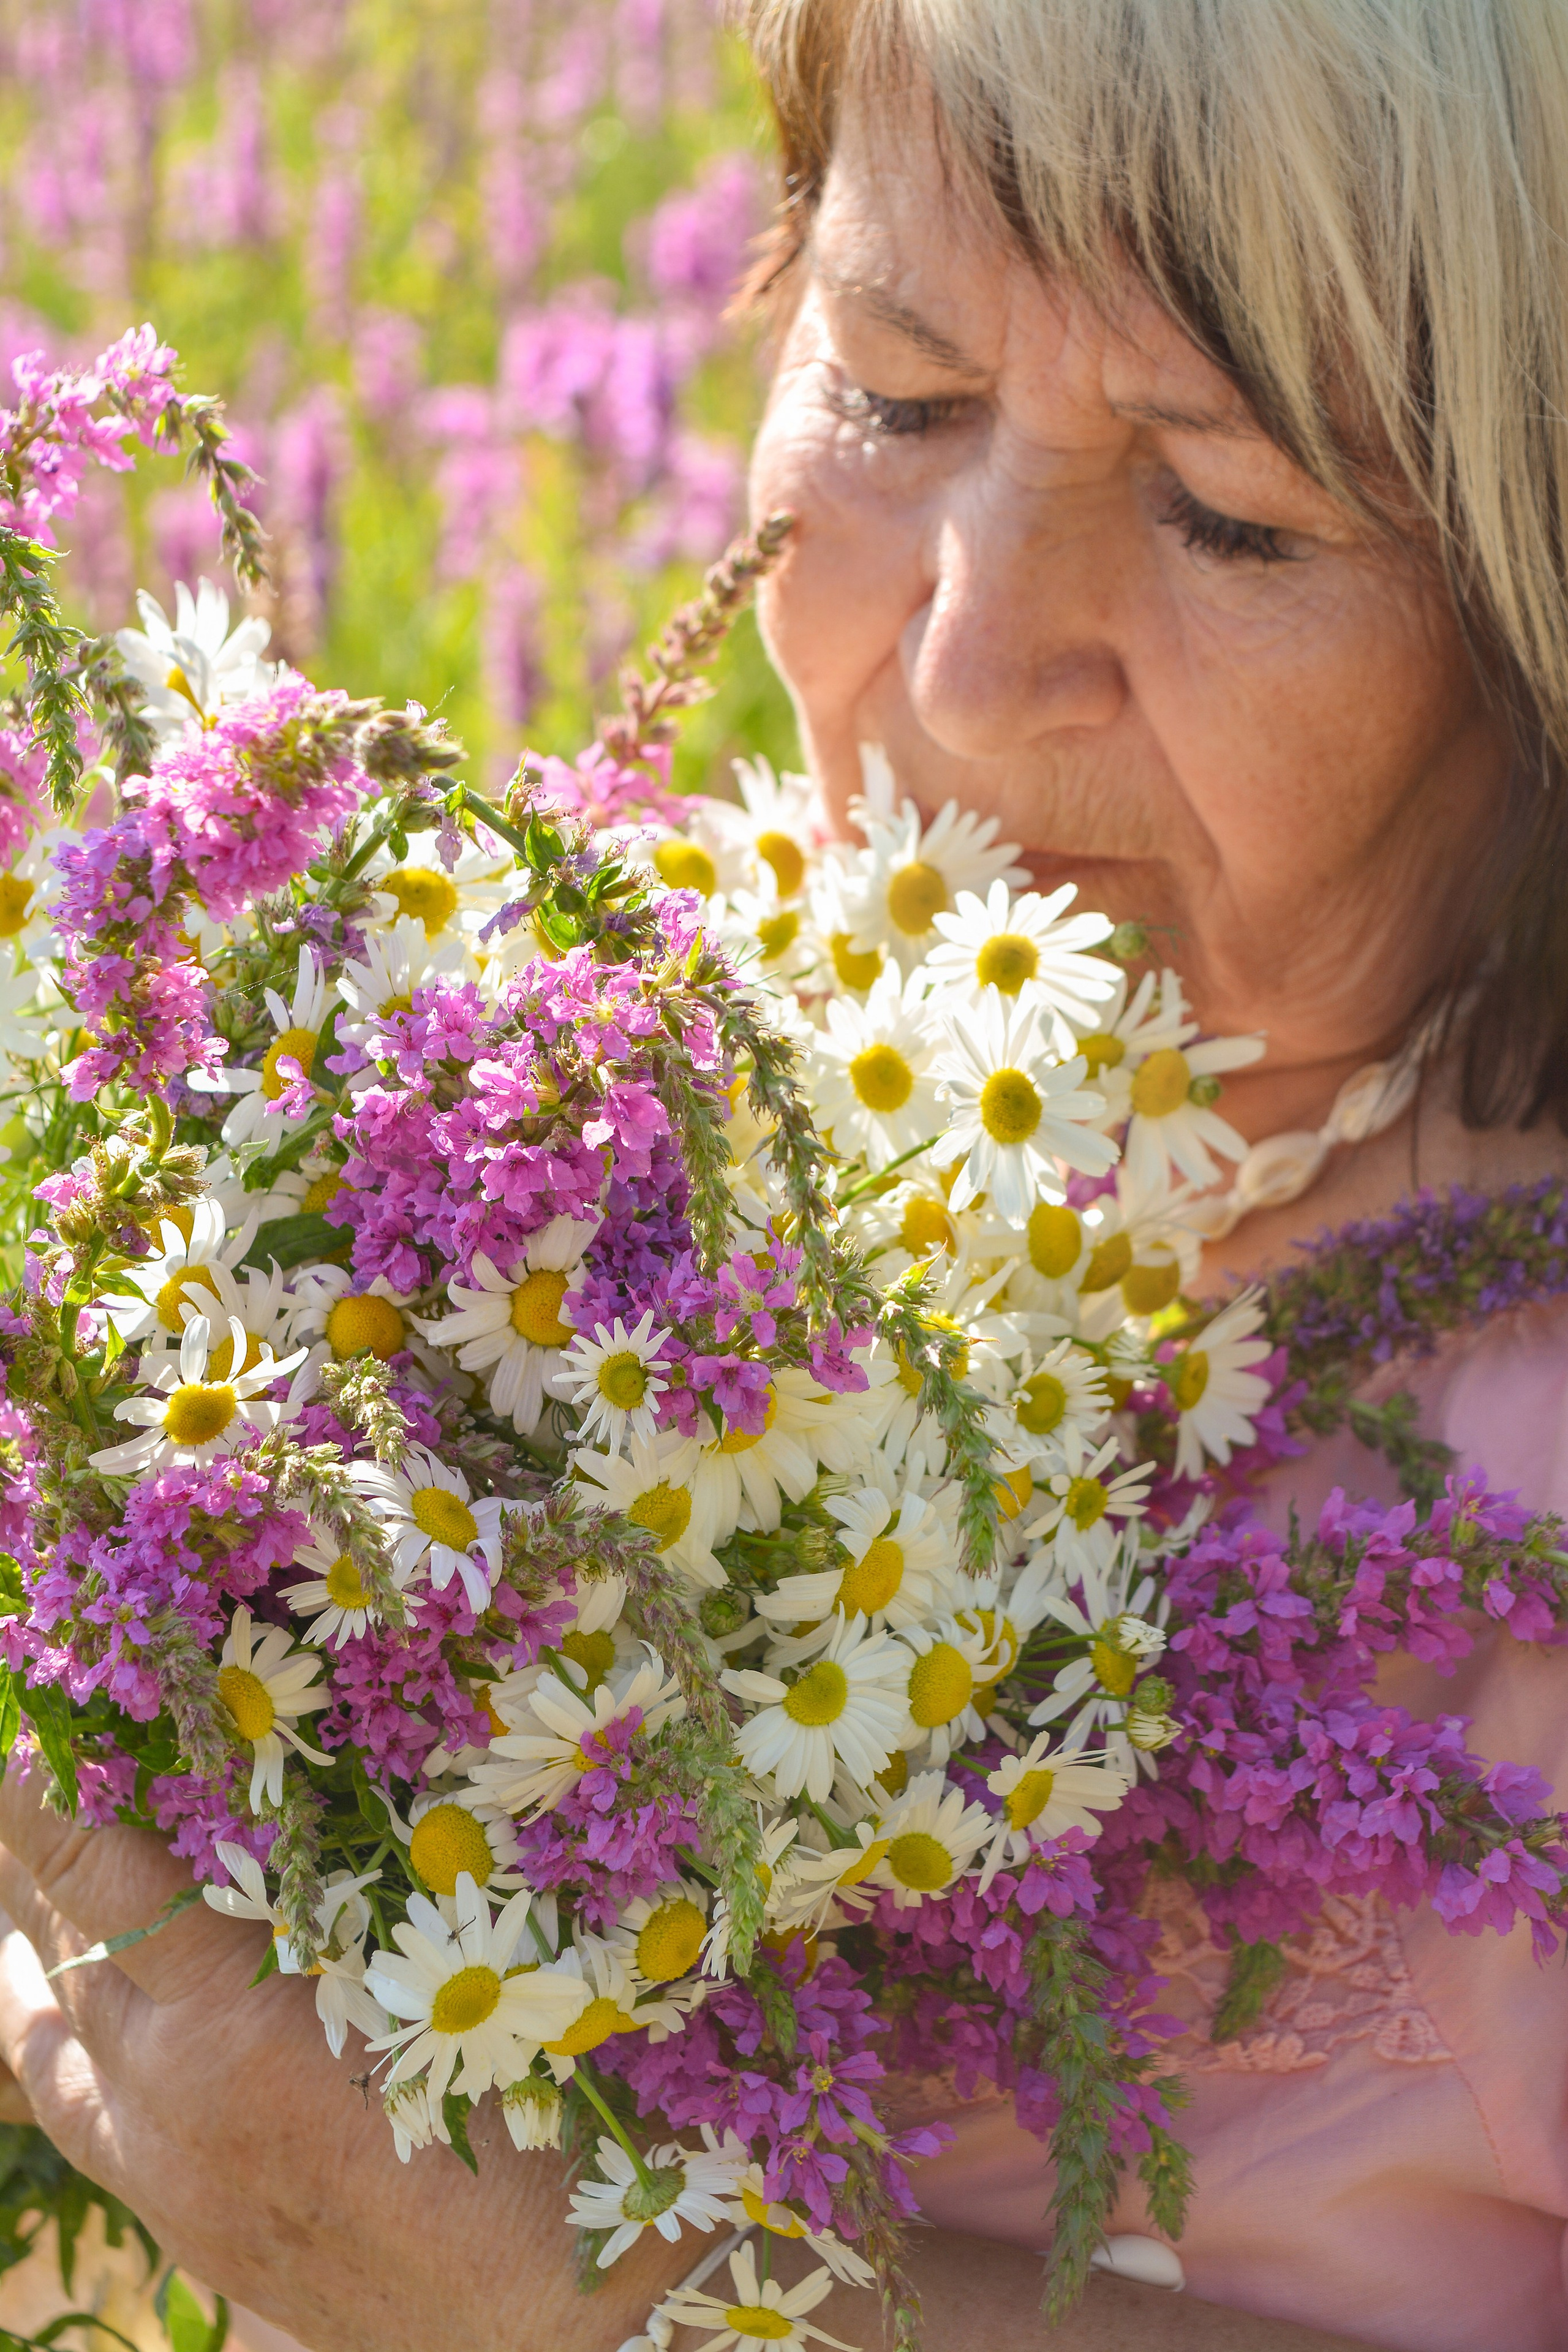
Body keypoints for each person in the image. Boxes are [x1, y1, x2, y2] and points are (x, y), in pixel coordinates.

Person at [4, 3, 1568, 2345]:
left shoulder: (1503, 1527)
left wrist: (547, 2290)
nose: (955, 662)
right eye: (897, 395)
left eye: (1227, 508)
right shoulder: (563, 1054)